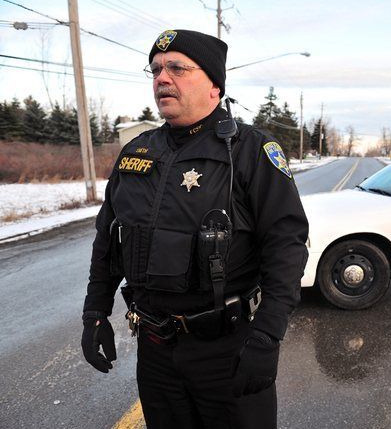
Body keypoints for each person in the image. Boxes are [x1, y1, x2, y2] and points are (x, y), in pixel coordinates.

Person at [81, 29, 308, 429]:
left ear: (214, 84)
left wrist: (267, 336)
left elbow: (286, 246)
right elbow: (109, 240)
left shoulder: (250, 150)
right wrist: (95, 313)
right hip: (155, 351)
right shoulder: (138, 152)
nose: (161, 78)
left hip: (228, 350)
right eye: (155, 70)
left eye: (177, 68)